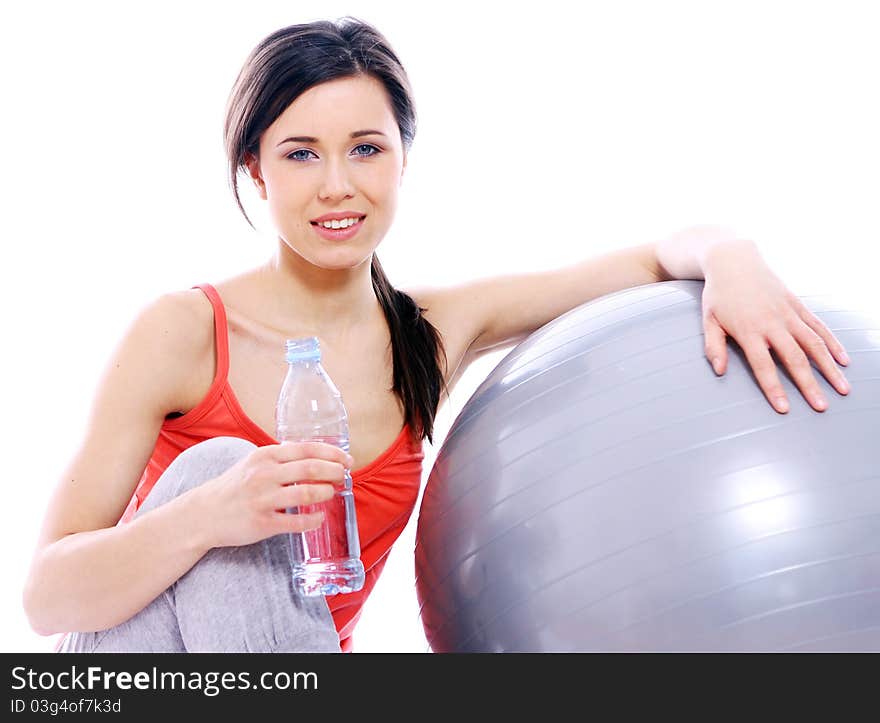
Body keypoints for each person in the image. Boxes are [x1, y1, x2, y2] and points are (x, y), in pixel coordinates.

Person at [22, 17, 852, 653]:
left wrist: (732, 255)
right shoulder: (183, 330)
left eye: (366, 149)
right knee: (218, 464)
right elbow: (47, 599)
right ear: (256, 171)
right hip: (133, 671)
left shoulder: (429, 333)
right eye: (302, 153)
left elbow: (646, 259)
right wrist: (210, 514)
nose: (337, 185)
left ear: (403, 162)